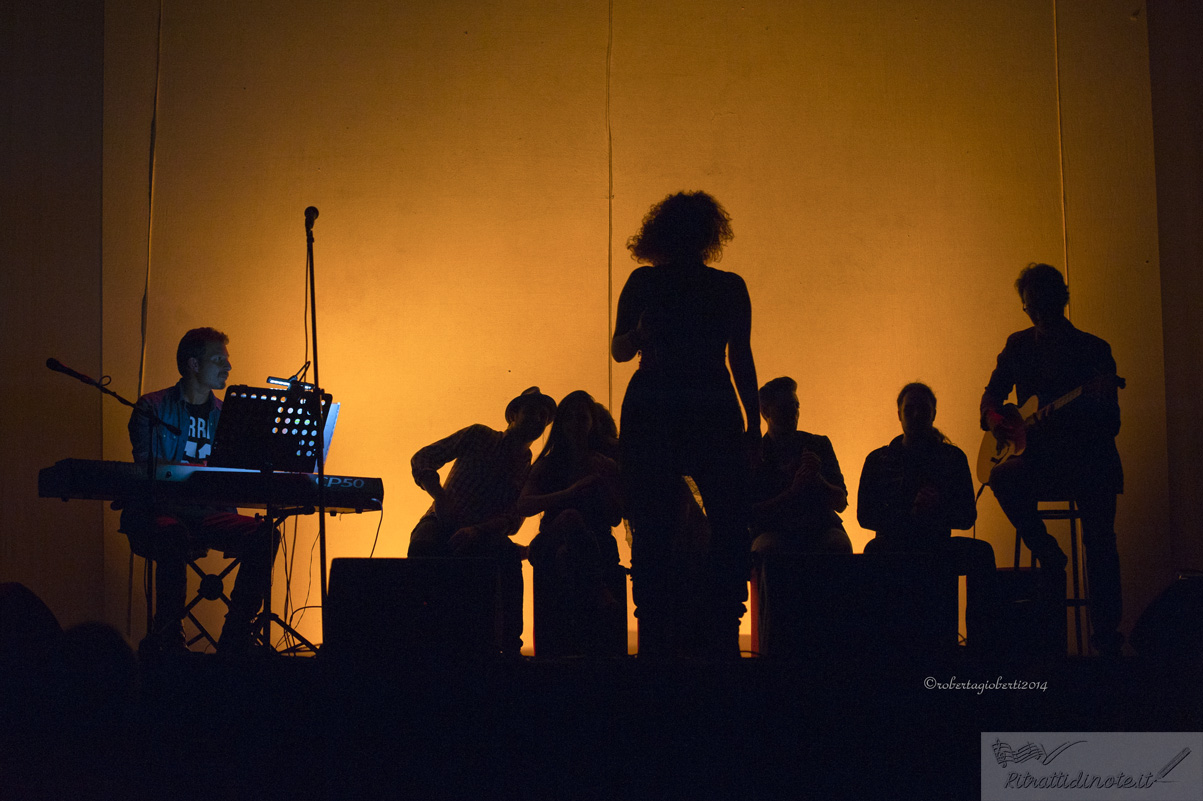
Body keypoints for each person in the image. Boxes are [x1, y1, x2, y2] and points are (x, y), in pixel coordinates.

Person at [611, 190, 760, 658]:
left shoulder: (646, 282)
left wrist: (640, 335)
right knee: (723, 518)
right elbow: (741, 359)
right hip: (708, 402)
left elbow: (620, 351)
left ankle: (659, 621)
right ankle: (717, 619)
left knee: (653, 519)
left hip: (657, 400)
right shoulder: (728, 286)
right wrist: (752, 426)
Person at [981, 263, 1123, 656]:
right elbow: (991, 397)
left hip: (1086, 460)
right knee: (1001, 477)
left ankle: (1106, 632)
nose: (1035, 314)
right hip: (1038, 459)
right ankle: (1048, 551)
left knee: (1100, 538)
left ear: (1060, 299)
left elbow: (1111, 424)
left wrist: (1077, 413)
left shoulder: (1095, 351)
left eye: (1041, 305)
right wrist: (996, 422)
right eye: (1029, 308)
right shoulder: (1018, 345)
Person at [120, 327, 277, 656]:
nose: (228, 367)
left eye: (227, 360)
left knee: (265, 535)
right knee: (172, 534)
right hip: (161, 513)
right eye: (219, 359)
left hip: (208, 514)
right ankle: (168, 631)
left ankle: (236, 632)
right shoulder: (152, 407)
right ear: (193, 364)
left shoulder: (228, 416)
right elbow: (150, 470)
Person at [409, 386, 556, 655]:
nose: (538, 420)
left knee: (508, 559)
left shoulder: (529, 468)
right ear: (513, 414)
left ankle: (511, 648)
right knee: (423, 544)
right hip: (441, 522)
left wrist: (476, 531)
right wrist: (440, 497)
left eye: (544, 417)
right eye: (532, 412)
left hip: (483, 536)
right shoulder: (478, 435)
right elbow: (423, 458)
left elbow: (513, 519)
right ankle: (417, 638)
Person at [858, 382, 997, 653]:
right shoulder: (880, 459)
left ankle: (982, 649)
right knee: (980, 553)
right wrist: (915, 512)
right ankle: (876, 649)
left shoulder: (951, 458)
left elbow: (967, 516)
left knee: (981, 554)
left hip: (915, 544)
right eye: (910, 410)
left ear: (933, 413)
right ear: (899, 414)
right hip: (909, 544)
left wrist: (935, 508)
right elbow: (865, 516)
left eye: (922, 409)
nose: (916, 416)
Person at [517, 391, 623, 655]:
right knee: (569, 517)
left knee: (567, 554)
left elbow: (615, 517)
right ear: (561, 424)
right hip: (551, 542)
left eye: (582, 417)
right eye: (571, 417)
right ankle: (598, 591)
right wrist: (570, 493)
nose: (576, 423)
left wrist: (605, 486)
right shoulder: (546, 465)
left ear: (591, 423)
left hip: (588, 544)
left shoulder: (605, 465)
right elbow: (523, 505)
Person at [751, 377, 852, 556]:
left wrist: (818, 479)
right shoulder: (753, 452)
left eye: (796, 407)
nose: (793, 414)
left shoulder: (819, 444)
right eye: (785, 408)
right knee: (768, 547)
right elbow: (749, 513)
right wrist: (792, 491)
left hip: (820, 527)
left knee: (838, 543)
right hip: (774, 530)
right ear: (765, 411)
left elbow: (841, 502)